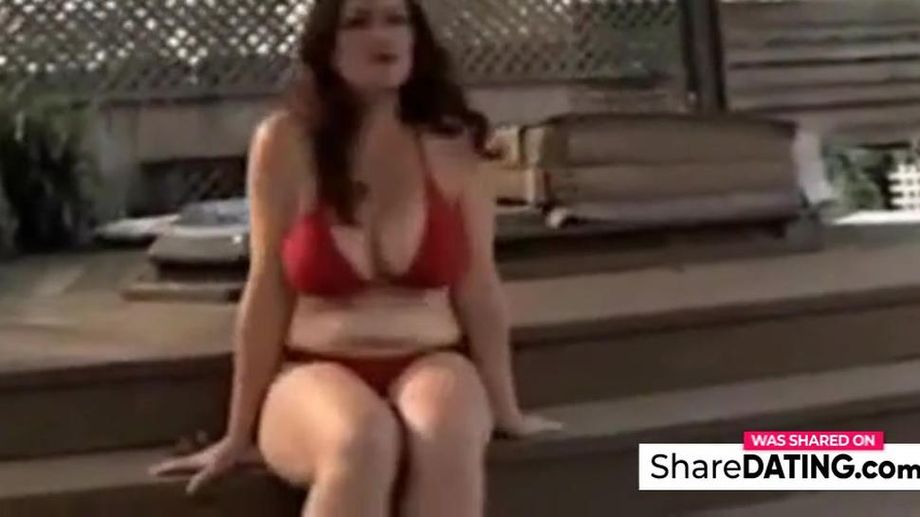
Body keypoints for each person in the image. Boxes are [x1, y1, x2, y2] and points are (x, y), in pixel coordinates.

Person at [150, 0, 562, 515]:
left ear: (416, 38)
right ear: (328, 46)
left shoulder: (456, 145)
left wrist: (507, 409)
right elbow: (268, 287)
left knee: (446, 436)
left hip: (433, 358)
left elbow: (478, 284)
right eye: (358, 22)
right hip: (314, 368)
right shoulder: (286, 142)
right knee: (362, 441)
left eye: (395, 20)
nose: (380, 35)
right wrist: (237, 432)